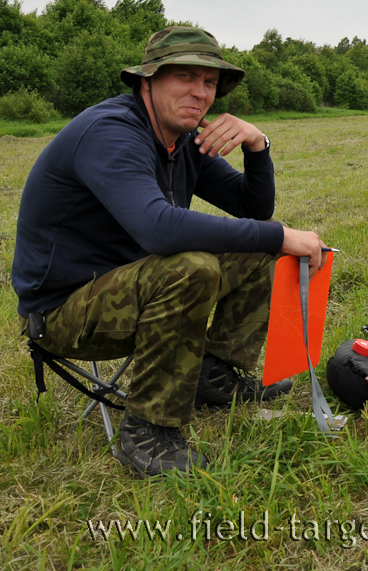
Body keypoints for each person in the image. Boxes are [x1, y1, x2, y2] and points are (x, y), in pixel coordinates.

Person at [12, 26, 327, 478]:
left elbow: (251, 209)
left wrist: (258, 146)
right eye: (185, 77)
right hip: (63, 312)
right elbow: (158, 228)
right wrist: (279, 235)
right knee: (194, 266)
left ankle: (212, 374)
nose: (201, 92)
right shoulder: (111, 133)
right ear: (148, 80)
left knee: (258, 248)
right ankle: (147, 431)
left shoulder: (182, 139)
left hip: (129, 283)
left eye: (210, 82)